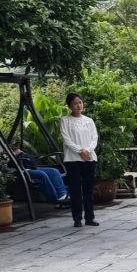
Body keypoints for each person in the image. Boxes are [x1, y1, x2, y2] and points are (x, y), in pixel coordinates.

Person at [59, 92, 99, 229]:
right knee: (75, 190)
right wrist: (80, 151)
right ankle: (77, 219)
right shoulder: (65, 120)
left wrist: (88, 150)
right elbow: (66, 139)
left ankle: (90, 217)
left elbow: (94, 138)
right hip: (72, 159)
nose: (78, 105)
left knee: (89, 188)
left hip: (89, 158)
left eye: (80, 102)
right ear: (69, 105)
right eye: (75, 103)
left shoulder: (89, 121)